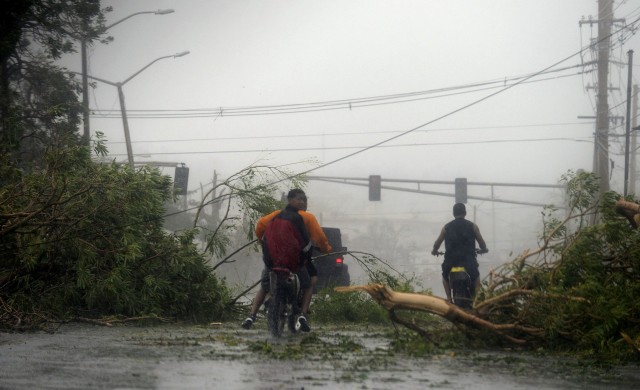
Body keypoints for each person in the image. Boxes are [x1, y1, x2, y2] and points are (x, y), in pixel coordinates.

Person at [241, 189, 331, 331]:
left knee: (265, 286)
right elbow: (320, 238)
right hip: (295, 262)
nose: (302, 202)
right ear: (290, 200)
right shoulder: (307, 217)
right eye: (299, 199)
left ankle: (252, 315)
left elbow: (260, 225)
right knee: (310, 283)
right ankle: (303, 314)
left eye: (304, 199)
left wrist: (260, 240)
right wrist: (326, 249)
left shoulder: (277, 215)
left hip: (274, 261)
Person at [431, 203, 488, 303]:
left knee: (445, 276)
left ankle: (449, 298)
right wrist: (483, 249)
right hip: (468, 261)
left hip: (451, 261)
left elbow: (437, 243)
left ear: (453, 213)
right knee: (476, 276)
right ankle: (476, 300)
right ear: (465, 213)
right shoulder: (473, 226)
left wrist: (434, 251)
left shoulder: (446, 228)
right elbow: (482, 243)